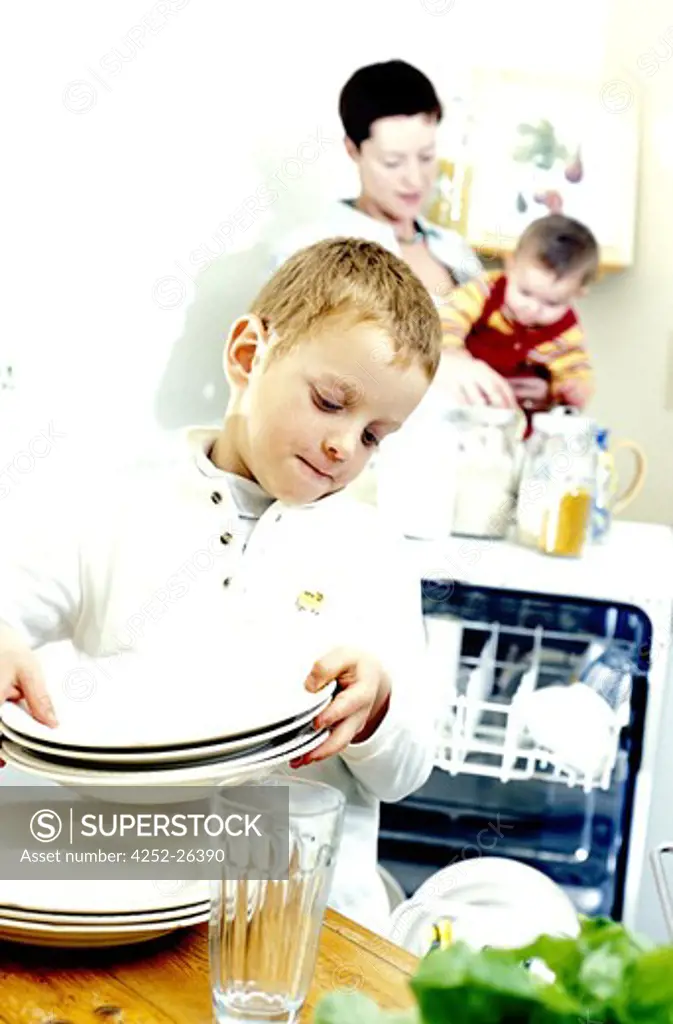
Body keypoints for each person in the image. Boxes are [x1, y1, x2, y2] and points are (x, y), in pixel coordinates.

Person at [0, 237, 442, 933]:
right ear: (246, 355)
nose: (343, 447)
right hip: (122, 886)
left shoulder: (370, 548)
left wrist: (379, 701)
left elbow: (407, 768)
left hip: (294, 910)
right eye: (330, 402)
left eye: (373, 437)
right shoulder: (117, 496)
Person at [270, 59, 481, 303]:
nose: (415, 179)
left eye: (426, 157)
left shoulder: (454, 248)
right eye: (393, 162)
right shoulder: (305, 253)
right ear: (353, 150)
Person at [437, 214, 598, 417]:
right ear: (511, 266)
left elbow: (574, 365)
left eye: (551, 303)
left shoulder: (566, 330)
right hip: (464, 401)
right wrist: (452, 352)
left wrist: (573, 388)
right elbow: (448, 316)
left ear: (577, 294)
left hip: (516, 417)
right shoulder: (484, 291)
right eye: (525, 292)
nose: (532, 308)